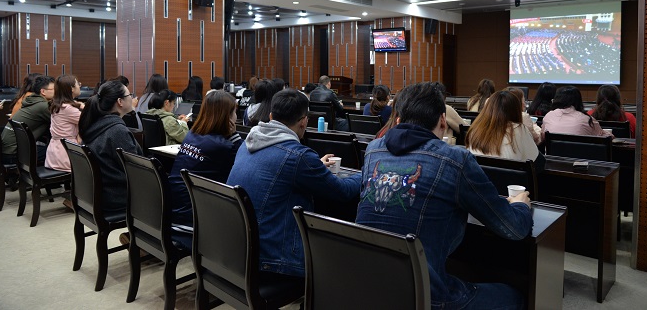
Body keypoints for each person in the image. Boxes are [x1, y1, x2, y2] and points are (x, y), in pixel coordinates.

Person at [355, 82, 532, 310]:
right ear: (442, 120)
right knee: (514, 297)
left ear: (397, 119)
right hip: (427, 295)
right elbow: (513, 228)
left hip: (365, 284)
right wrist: (521, 206)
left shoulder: (373, 150)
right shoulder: (455, 159)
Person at [227, 89, 361, 278]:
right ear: (304, 121)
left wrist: (314, 166)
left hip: (239, 250)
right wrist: (367, 173)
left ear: (272, 116)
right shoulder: (298, 156)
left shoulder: (248, 143)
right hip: (273, 260)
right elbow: (343, 191)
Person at [169, 90, 243, 249]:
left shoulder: (192, 134)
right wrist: (235, 135)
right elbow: (243, 161)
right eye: (234, 113)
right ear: (227, 117)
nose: (236, 117)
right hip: (194, 218)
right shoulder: (224, 146)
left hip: (173, 209)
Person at [78, 80, 143, 213]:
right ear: (120, 101)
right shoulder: (117, 131)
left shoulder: (96, 123)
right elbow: (136, 170)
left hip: (100, 193)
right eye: (129, 94)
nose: (132, 98)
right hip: (118, 197)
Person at [466, 91, 543, 170]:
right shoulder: (518, 129)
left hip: (478, 180)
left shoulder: (475, 129)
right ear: (516, 110)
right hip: (510, 181)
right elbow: (539, 164)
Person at [1, 75, 55, 165]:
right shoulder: (43, 106)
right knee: (58, 152)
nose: (58, 91)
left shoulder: (31, 100)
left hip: (7, 150)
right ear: (43, 91)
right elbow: (61, 120)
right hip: (14, 154)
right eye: (55, 89)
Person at [541, 85, 612, 141]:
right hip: (581, 158)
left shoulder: (549, 115)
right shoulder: (586, 119)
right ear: (579, 100)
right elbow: (604, 138)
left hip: (553, 158)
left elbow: (543, 136)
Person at [45, 75, 84, 172]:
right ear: (71, 89)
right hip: (66, 154)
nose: (80, 86)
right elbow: (89, 121)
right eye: (78, 84)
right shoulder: (69, 109)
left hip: (54, 153)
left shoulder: (58, 105)